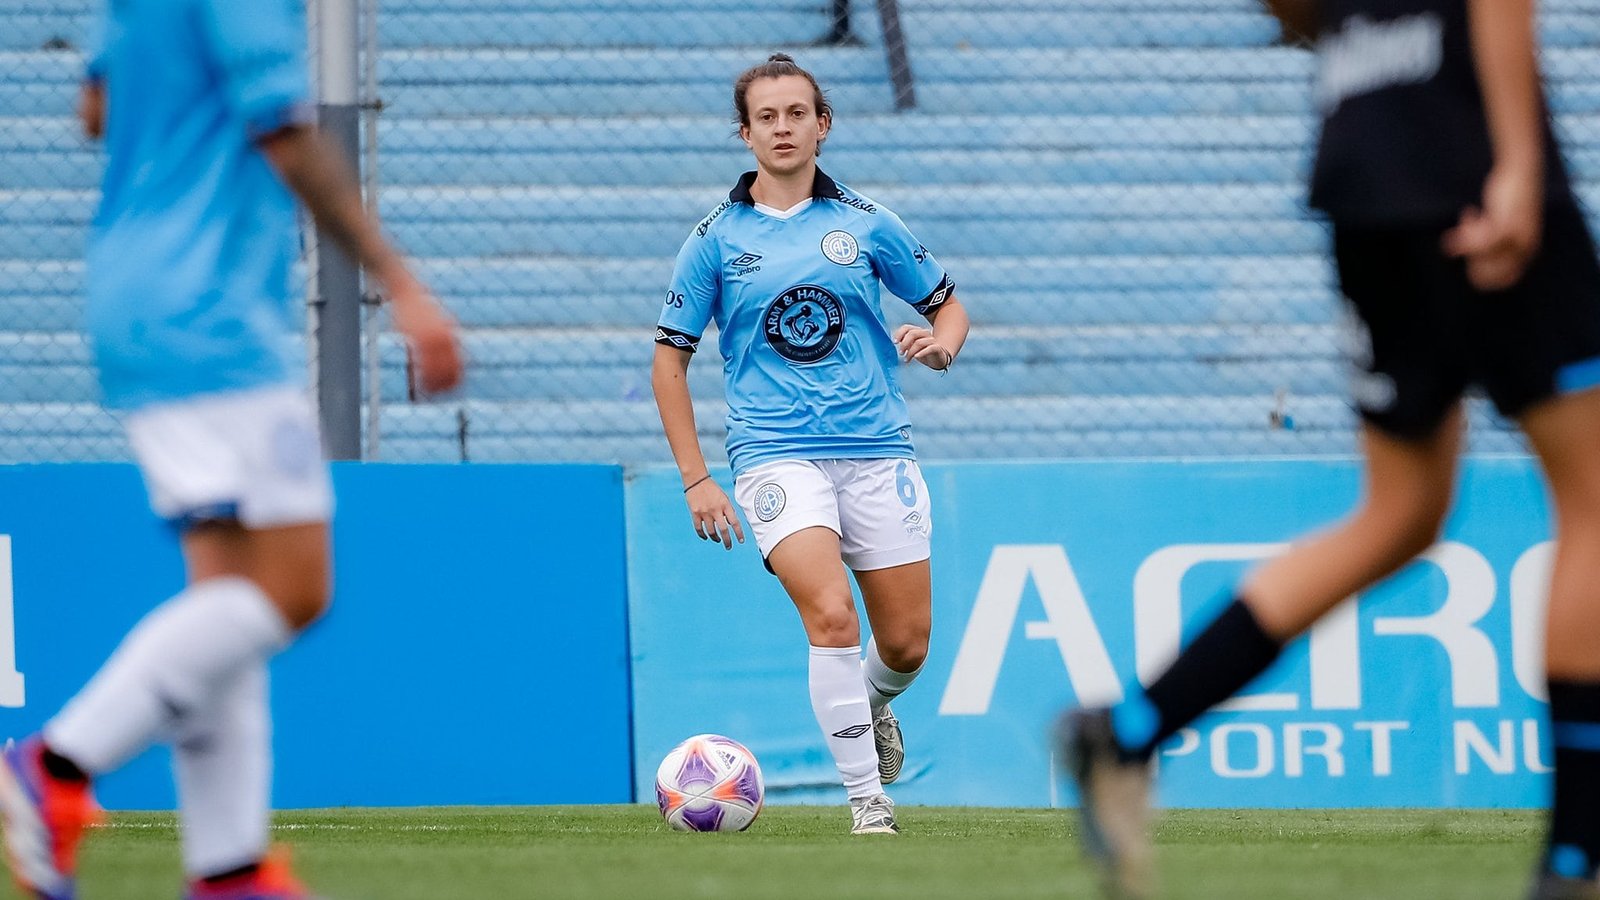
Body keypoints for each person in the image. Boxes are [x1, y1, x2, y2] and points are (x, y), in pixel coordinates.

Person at [1059, 0, 1600, 897]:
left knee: (1399, 514)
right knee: (1592, 500)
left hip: (1361, 168)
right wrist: (1514, 160)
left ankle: (1127, 733)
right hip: (1464, 151)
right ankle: (1578, 861)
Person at [0, 1, 462, 897]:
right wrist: (403, 285)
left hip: (137, 298)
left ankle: (229, 867)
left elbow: (95, 111)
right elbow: (285, 130)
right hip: (210, 315)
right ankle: (55, 766)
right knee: (295, 589)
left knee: (228, 602)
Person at [651, 53, 970, 836]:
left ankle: (868, 707)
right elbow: (670, 360)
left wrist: (940, 347)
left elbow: (950, 307)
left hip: (877, 449)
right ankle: (869, 802)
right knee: (831, 615)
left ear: (822, 125)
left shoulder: (868, 223)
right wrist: (697, 478)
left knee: (906, 643)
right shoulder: (714, 240)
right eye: (767, 117)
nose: (783, 128)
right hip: (773, 454)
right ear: (746, 133)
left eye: (798, 114)